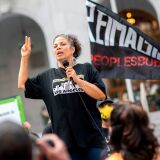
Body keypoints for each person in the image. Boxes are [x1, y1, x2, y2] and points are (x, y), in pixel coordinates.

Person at [18, 34, 107, 160]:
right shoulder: (46, 77)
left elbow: (101, 95)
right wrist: (25, 56)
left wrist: (79, 81)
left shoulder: (86, 69)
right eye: (55, 46)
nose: (58, 47)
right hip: (64, 144)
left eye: (62, 44)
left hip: (92, 141)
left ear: (72, 49)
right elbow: (22, 84)